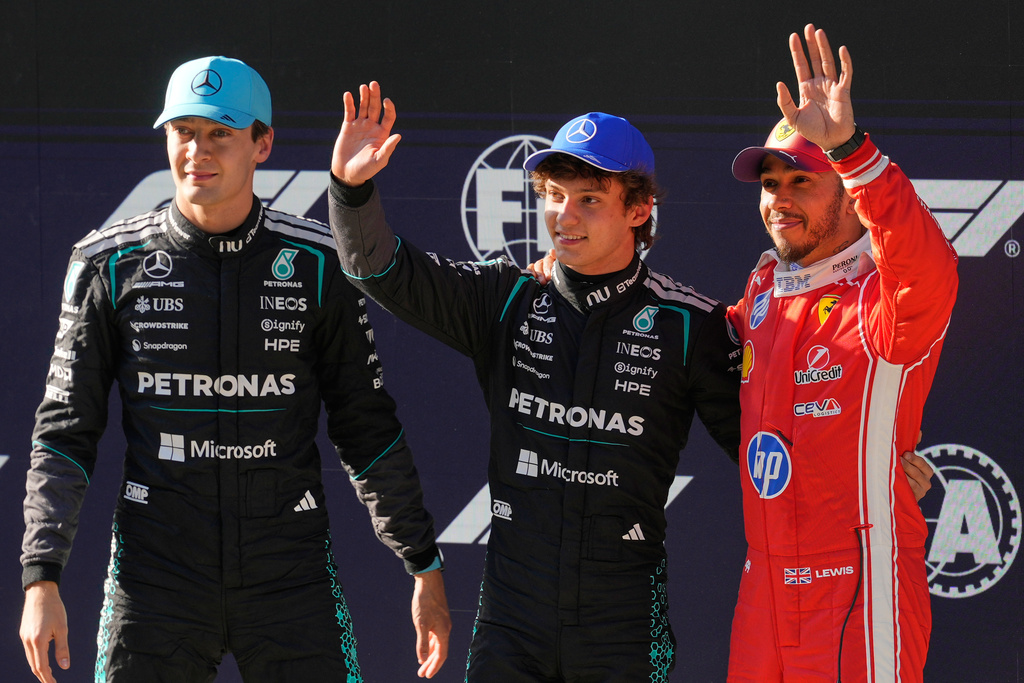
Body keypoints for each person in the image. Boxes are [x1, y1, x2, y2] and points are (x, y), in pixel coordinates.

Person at [19, 56, 450, 683]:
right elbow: (64, 432)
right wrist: (41, 577)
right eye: (184, 131)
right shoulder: (107, 265)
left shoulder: (318, 264)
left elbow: (367, 427)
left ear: (262, 143)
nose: (198, 151)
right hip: (155, 577)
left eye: (221, 132)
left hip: (289, 573)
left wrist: (422, 562)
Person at [328, 85, 743, 681]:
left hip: (622, 622)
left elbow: (766, 451)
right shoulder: (507, 298)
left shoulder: (691, 325)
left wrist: (874, 480)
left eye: (589, 199)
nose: (563, 216)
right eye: (552, 196)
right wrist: (350, 189)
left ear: (639, 208)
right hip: (511, 619)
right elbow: (380, 270)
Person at [725, 25, 958, 682]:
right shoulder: (765, 284)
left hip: (856, 587)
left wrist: (852, 152)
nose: (779, 200)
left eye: (801, 181)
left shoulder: (883, 293)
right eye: (770, 183)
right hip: (763, 591)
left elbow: (926, 269)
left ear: (849, 195)